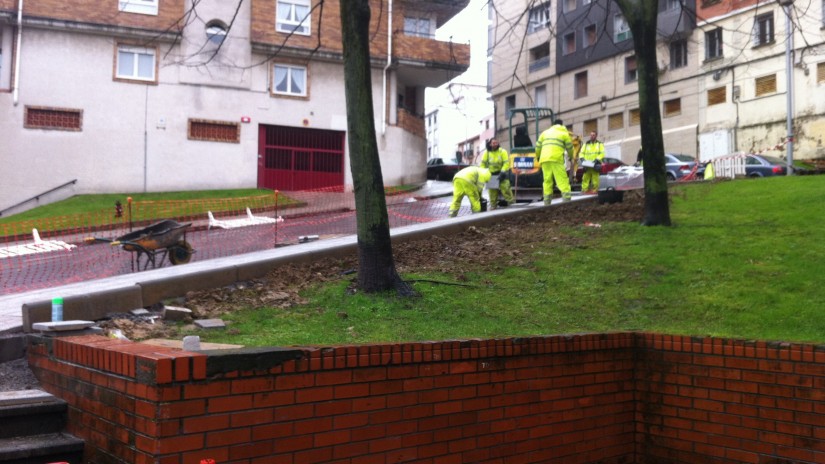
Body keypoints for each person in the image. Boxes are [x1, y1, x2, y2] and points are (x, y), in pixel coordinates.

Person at [535, 118, 574, 204]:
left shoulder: (544, 133)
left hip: (544, 159)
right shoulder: (564, 133)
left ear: (553, 124)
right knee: (562, 179)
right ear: (562, 124)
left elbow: (537, 147)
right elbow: (570, 148)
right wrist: (571, 157)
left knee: (547, 180)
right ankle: (567, 200)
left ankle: (547, 201)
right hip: (556, 159)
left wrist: (538, 157)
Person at [479, 138, 514, 209]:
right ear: (490, 144)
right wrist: (484, 174)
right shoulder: (487, 153)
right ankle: (493, 206)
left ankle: (512, 204)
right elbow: (483, 164)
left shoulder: (502, 151)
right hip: (491, 174)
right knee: (492, 193)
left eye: (496, 143)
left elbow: (506, 163)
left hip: (501, 174)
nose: (495, 144)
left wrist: (503, 171)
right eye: (493, 143)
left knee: (506, 189)